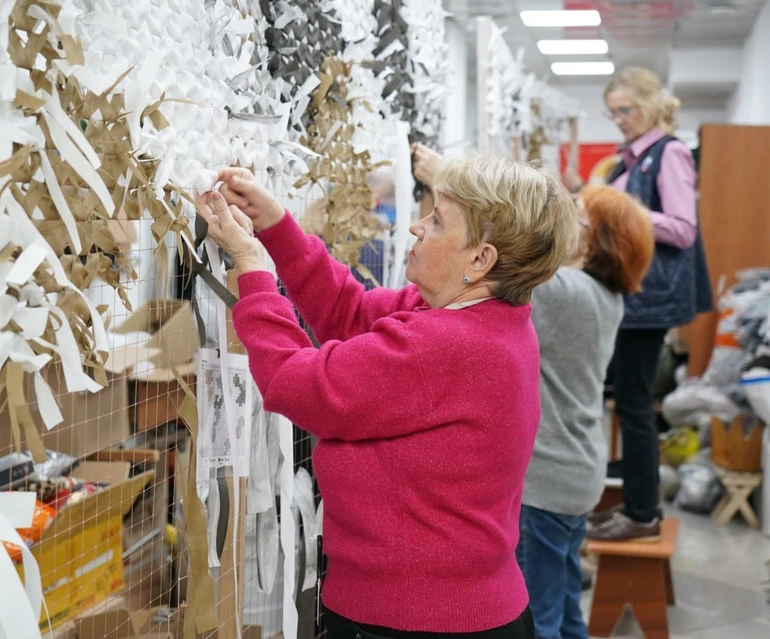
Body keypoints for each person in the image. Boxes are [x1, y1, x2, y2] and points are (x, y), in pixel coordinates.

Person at [196, 155, 580, 639]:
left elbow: (293, 382)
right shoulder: (484, 319)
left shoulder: (448, 345)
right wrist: (276, 226)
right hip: (465, 609)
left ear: (480, 259)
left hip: (413, 621)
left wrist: (252, 269)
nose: (417, 227)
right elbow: (349, 310)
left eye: (438, 221)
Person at [519, 185, 655, 639]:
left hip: (547, 481)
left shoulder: (567, 292)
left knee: (537, 620)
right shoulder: (602, 296)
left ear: (592, 240)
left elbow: (504, 266)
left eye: (574, 214)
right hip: (575, 474)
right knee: (564, 606)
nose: (562, 218)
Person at [584, 66, 712, 542]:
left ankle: (642, 514)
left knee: (636, 406)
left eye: (626, 109)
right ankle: (634, 503)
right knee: (627, 401)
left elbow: (682, 228)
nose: (618, 118)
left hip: (649, 297)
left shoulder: (670, 154)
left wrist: (620, 210)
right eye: (612, 111)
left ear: (651, 106)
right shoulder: (629, 162)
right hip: (632, 293)